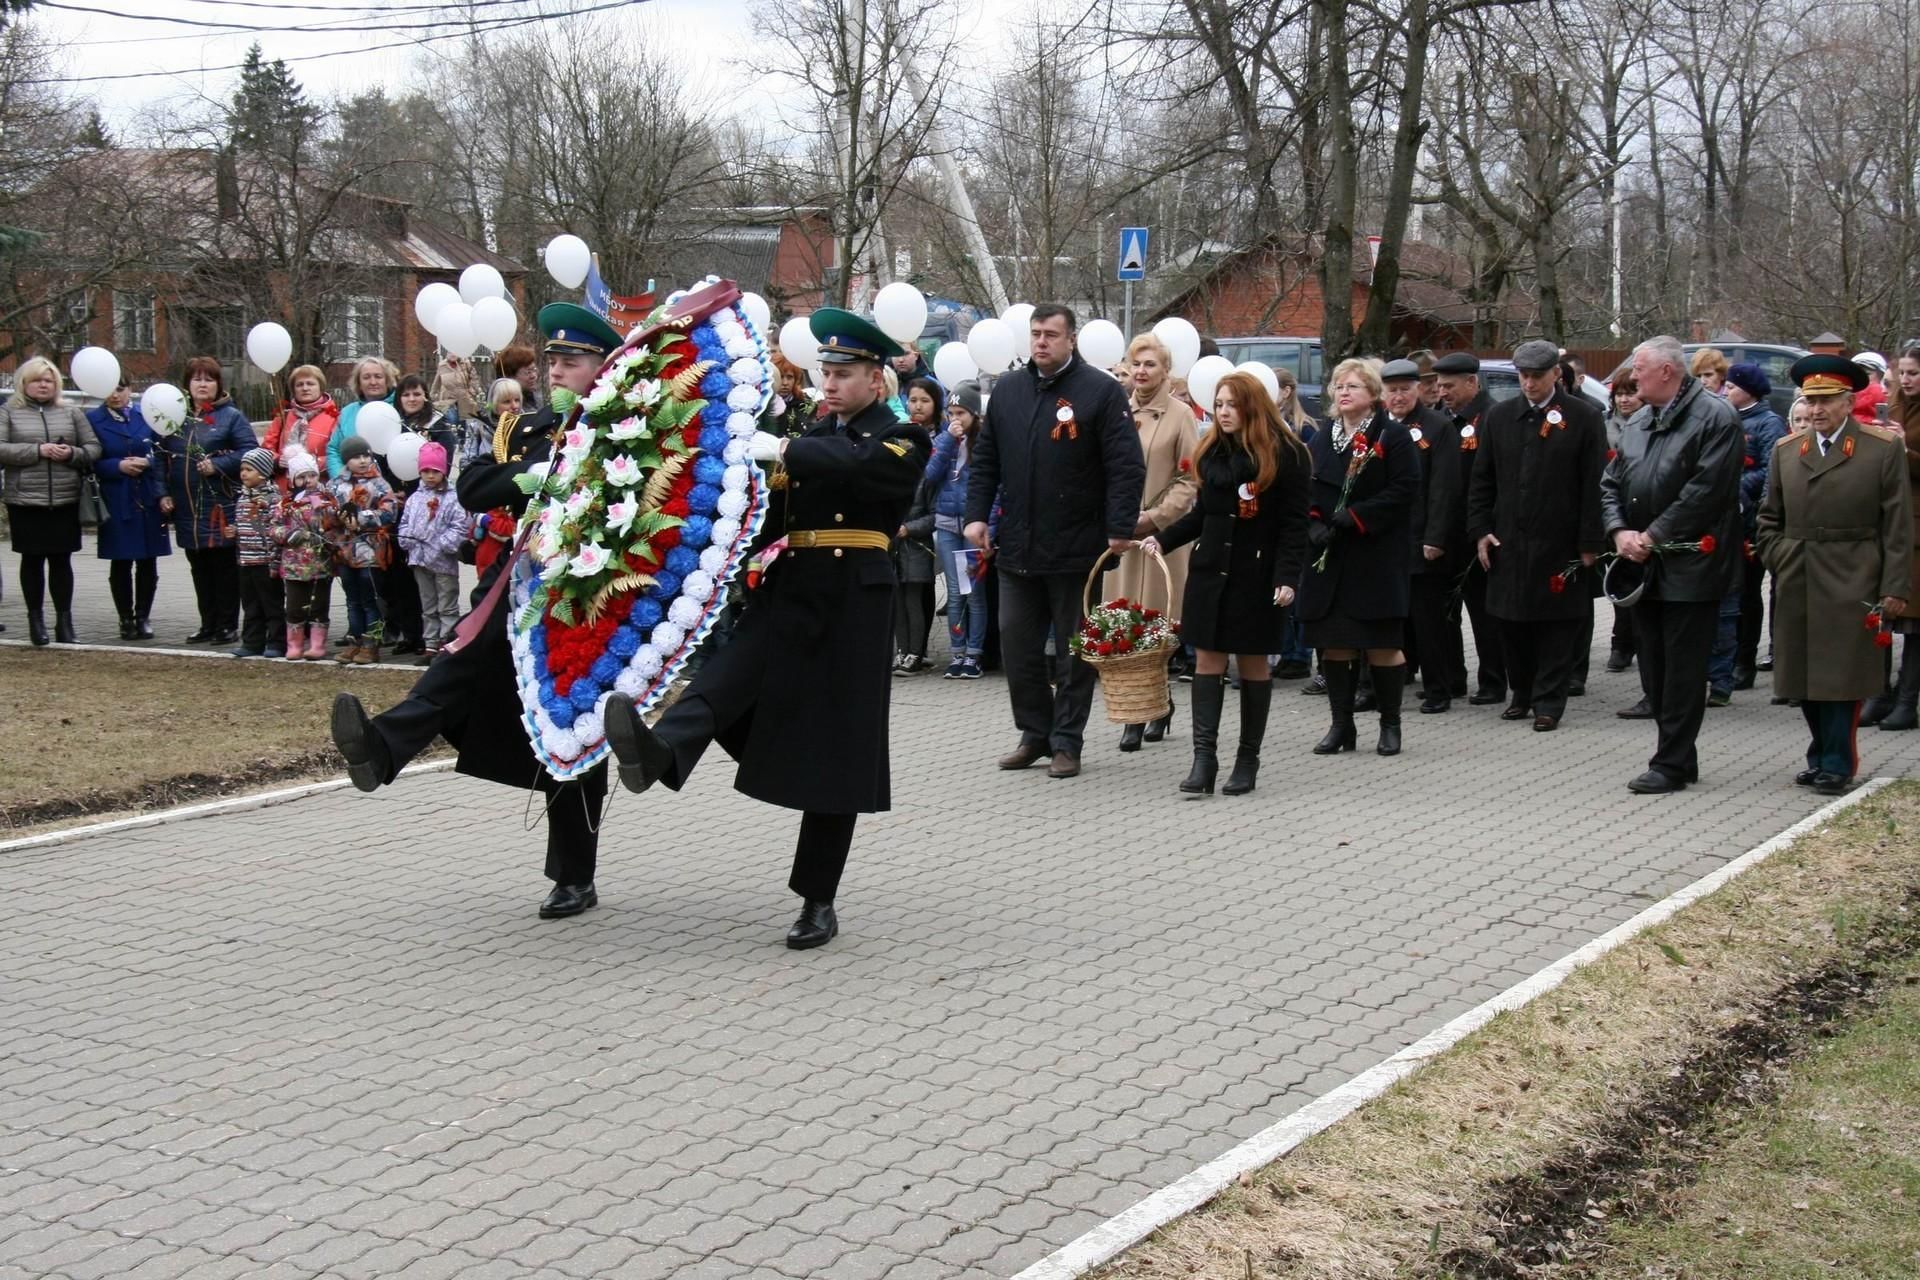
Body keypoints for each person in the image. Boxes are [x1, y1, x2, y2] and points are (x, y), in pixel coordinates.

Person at [600, 306, 933, 949]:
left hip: (854, 600)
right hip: (792, 582)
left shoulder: (901, 436)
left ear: (874, 377)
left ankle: (817, 898)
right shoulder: (810, 432)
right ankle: (660, 754)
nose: (829, 384)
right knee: (725, 674)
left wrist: (785, 447)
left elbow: (858, 470)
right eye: (824, 373)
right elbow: (772, 510)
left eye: (842, 373)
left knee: (839, 749)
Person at [331, 301, 621, 921]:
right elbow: (475, 486)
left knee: (569, 724)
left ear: (605, 366)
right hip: (517, 579)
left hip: (584, 596)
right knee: (459, 660)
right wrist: (535, 476)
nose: (559, 370)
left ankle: (575, 874)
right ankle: (382, 748)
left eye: (573, 360)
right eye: (555, 361)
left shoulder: (626, 427)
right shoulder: (527, 426)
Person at [964, 303, 1146, 780]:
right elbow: (986, 461)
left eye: (1051, 334)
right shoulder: (1008, 390)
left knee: (1073, 652)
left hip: (1077, 549)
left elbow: (1125, 465)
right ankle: (1034, 734)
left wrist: (1120, 527)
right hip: (1017, 548)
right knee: (1019, 649)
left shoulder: (1100, 392)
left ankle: (1067, 742)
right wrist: (976, 517)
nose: (1041, 342)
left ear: (1071, 340)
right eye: (1035, 334)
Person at [1139, 370, 1308, 794]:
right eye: (1218, 404)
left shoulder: (1287, 453)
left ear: (1253, 406)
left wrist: (1288, 576)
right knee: (1207, 661)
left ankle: (1247, 760)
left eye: (1232, 404)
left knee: (1251, 663)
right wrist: (1161, 538)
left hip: (1258, 574)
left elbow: (1293, 524)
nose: (1223, 412)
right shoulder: (1212, 449)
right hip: (1210, 571)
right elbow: (1204, 515)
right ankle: (1204, 760)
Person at [1756, 354, 1912, 794]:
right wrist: (1782, 556)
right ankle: (1819, 754)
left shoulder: (1880, 449)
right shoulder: (1787, 451)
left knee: (1841, 677)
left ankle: (1837, 763)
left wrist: (1894, 585)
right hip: (1799, 573)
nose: (1818, 409)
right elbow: (1769, 519)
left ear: (1848, 402)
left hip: (1854, 575)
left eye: (1828, 400)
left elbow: (1897, 525)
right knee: (1801, 676)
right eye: (1812, 400)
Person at [1600, 335, 1743, 794]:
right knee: (1655, 667)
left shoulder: (1715, 418)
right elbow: (1610, 482)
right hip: (1643, 563)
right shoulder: (1641, 419)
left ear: (1666, 371)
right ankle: (1681, 755)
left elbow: (1706, 491)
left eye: (1639, 368)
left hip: (1690, 563)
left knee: (1682, 668)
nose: (1632, 376)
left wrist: (1654, 535)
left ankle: (1672, 761)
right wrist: (1620, 530)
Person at [1468, 340, 1608, 732]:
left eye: (1536, 376)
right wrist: (1480, 531)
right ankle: (1522, 693)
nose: (1528, 384)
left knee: (1557, 626)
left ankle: (1550, 700)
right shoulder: (1500, 417)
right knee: (1511, 622)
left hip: (1559, 541)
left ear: (1555, 376)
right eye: (1523, 376)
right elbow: (1482, 481)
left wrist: (1589, 543)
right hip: (1508, 540)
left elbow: (1594, 483)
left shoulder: (1584, 417)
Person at [1298, 358, 1421, 755]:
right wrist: (1314, 521)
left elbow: (1405, 489)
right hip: (1329, 554)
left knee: (1381, 643)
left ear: (1372, 393)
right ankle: (1341, 724)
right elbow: (1308, 489)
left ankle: (1390, 724)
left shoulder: (1393, 435)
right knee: (1335, 644)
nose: (1344, 391)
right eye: (1338, 385)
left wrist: (1355, 516)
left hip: (1374, 553)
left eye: (1352, 385)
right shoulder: (1323, 437)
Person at [1110, 333, 1199, 750]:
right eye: (1136, 365)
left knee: (1156, 625)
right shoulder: (1116, 410)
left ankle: (1158, 702)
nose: (1142, 373)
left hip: (1160, 537)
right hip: (1120, 538)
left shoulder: (1180, 414)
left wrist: (1155, 517)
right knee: (1123, 622)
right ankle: (1134, 712)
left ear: (1166, 370)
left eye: (1150, 365)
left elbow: (1190, 479)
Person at [1380, 359, 1462, 714]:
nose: (1398, 397)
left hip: (1422, 537)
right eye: (1392, 391)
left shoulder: (1437, 427)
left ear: (1418, 390)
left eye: (1404, 390)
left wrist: (1436, 537)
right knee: (1390, 619)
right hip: (1385, 540)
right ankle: (1387, 683)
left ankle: (1438, 688)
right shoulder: (1378, 427)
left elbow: (1445, 487)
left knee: (1428, 620)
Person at [0, 357, 101, 645]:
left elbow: (93, 448)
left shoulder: (71, 414)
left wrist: (70, 453)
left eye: (49, 380)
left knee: (61, 561)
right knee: (31, 561)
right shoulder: (9, 412)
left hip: (65, 499)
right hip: (25, 500)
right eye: (37, 379)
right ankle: (35, 621)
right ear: (24, 383)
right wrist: (37, 450)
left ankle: (64, 622)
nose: (43, 385)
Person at [159, 355, 256, 644]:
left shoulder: (231, 417)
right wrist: (162, 493)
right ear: (187, 384)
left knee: (224, 569)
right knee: (199, 568)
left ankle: (227, 624)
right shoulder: (174, 418)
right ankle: (208, 623)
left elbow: (250, 452)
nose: (202, 384)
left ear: (218, 384)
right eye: (197, 378)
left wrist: (218, 465)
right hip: (186, 507)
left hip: (219, 506)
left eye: (209, 379)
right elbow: (159, 458)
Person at [1432, 352, 1500, 703]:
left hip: (1478, 532)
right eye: (1439, 385)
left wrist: (1482, 528)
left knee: (1484, 612)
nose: (1442, 392)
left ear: (1472, 383)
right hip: (1446, 532)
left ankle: (1492, 680)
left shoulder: (1492, 418)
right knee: (1445, 614)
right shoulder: (1439, 420)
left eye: (1449, 385)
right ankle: (1451, 678)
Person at [379, 375, 460, 656]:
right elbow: (384, 458)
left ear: (425, 395)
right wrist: (393, 489)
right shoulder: (391, 424)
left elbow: (443, 460)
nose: (411, 399)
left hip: (432, 511)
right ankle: (415, 636)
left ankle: (443, 641)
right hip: (401, 504)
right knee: (406, 583)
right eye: (406, 394)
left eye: (417, 393)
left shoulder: (437, 425)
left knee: (443, 597)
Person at [88, 380, 170, 640]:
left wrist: (148, 461)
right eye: (109, 389)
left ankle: (143, 616)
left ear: (129, 390)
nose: (115, 395)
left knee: (148, 560)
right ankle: (125, 618)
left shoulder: (146, 414)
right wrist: (116, 467)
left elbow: (165, 451)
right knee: (121, 560)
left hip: (147, 496)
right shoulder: (93, 419)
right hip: (117, 496)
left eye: (120, 389)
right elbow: (90, 459)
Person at [1722, 362, 1786, 694]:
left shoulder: (1768, 422)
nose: (1725, 390)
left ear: (1748, 389)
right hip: (1726, 519)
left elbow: (1772, 468)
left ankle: (1744, 662)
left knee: (1748, 594)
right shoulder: (1725, 417)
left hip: (1752, 521)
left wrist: (1736, 484)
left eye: (1731, 386)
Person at [925, 380, 987, 679]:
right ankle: (956, 653)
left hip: (973, 528)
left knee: (973, 592)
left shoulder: (985, 442)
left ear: (974, 414)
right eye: (951, 412)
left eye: (961, 412)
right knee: (954, 590)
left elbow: (994, 487)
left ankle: (974, 655)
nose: (955, 419)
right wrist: (948, 441)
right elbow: (930, 475)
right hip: (948, 524)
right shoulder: (942, 441)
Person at [1874, 344, 1920, 731]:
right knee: (1881, 616)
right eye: (1902, 373)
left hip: (1918, 527)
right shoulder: (1893, 407)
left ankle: (1908, 701)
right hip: (1890, 521)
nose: (1905, 381)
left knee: (1915, 621)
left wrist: (1905, 449)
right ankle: (1878, 693)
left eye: (1913, 373)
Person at [328, 437, 397, 665]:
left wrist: (362, 519)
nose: (362, 460)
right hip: (345, 552)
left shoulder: (379, 483)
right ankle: (354, 642)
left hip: (371, 553)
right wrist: (335, 518)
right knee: (352, 600)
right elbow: (326, 510)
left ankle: (371, 644)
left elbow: (390, 511)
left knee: (370, 600)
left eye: (366, 455)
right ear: (346, 460)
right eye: (356, 456)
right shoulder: (336, 484)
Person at [397, 442, 467, 661]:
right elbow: (405, 523)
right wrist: (406, 539)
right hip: (419, 559)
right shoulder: (415, 499)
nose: (429, 476)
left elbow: (460, 525)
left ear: (443, 471)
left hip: (443, 561)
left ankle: (447, 642)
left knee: (446, 604)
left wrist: (443, 544)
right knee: (428, 605)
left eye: (434, 471)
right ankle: (430, 643)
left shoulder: (452, 498)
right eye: (425, 471)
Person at [891, 377, 942, 675]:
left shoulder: (932, 464)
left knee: (915, 598)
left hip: (919, 541)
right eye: (912, 400)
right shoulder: (899, 449)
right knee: (899, 599)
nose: (917, 406)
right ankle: (903, 650)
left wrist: (911, 528)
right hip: (897, 541)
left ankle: (916, 652)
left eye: (924, 400)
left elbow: (934, 511)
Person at [270, 450, 336, 661]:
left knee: (319, 605)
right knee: (295, 606)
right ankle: (295, 644)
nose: (307, 481)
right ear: (292, 479)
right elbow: (274, 529)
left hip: (320, 564)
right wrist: (290, 535)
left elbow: (334, 526)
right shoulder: (285, 504)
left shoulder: (327, 501)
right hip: (294, 565)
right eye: (301, 476)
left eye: (312, 475)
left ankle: (317, 644)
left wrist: (325, 531)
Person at [1604, 373, 1644, 673]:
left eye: (1631, 393)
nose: (1624, 399)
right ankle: (1621, 642)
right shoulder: (1606, 426)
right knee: (1617, 581)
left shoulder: (1646, 425)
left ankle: (1633, 641)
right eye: (1619, 394)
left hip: (1641, 516)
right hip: (1612, 515)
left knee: (1637, 583)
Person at [228, 447, 286, 657]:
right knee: (250, 604)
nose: (244, 473)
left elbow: (274, 527)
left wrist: (274, 561)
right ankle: (252, 641)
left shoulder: (273, 499)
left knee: (272, 604)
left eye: (249, 469)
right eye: (242, 469)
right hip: (246, 560)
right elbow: (244, 525)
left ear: (263, 472)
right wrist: (234, 531)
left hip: (265, 560)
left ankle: (277, 642)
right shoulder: (242, 498)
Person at [261, 365, 340, 488]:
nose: (305, 388)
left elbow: (338, 454)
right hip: (285, 490)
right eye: (299, 385)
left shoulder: (334, 418)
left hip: (319, 488)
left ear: (320, 387)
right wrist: (278, 461)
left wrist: (311, 463)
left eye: (310, 384)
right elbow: (266, 450)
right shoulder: (283, 417)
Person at [326, 356, 397, 478]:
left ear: (388, 380)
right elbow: (334, 450)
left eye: (378, 377)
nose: (373, 382)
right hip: (354, 488)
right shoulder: (347, 412)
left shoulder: (400, 407)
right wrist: (342, 480)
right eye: (366, 377)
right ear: (359, 383)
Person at [1851, 350, 1889, 425]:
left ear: (1881, 376)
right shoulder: (1845, 392)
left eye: (1867, 374)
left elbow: (1882, 421)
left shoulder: (1884, 394)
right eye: (1857, 374)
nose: (1862, 378)